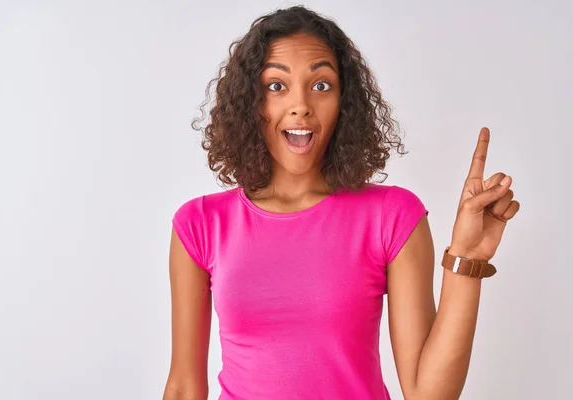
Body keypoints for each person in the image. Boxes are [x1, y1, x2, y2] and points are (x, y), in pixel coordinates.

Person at [163, 6, 520, 400]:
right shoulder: (200, 224)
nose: (300, 104)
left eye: (321, 85)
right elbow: (183, 387)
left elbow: (429, 394)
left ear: (344, 103)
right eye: (276, 86)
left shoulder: (391, 216)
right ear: (252, 102)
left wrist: (467, 259)